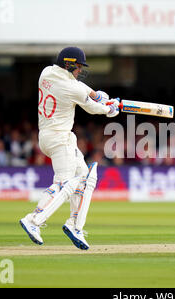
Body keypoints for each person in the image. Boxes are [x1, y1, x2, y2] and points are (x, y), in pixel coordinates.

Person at [20, 47, 120, 250]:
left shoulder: (47, 72)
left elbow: (77, 86)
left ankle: (75, 225)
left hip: (49, 136)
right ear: (69, 65)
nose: (79, 71)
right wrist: (110, 108)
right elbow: (93, 108)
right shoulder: (71, 87)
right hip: (60, 139)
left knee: (86, 177)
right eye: (78, 67)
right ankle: (33, 220)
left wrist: (95, 93)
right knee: (65, 184)